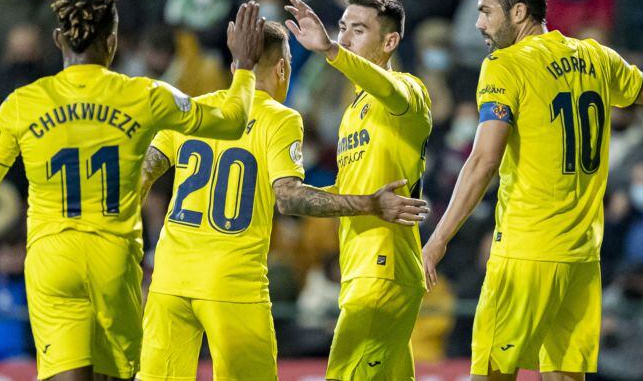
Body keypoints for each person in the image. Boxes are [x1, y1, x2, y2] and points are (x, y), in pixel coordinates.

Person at [421, 0, 643, 380]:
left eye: (486, 11)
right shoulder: (594, 56)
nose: (478, 23)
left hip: (527, 251)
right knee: (565, 375)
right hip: (580, 256)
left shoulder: (505, 65)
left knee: (490, 373)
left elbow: (483, 160)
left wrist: (438, 238)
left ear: (519, 13)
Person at [0, 0, 266, 380]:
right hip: (113, 259)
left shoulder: (22, 104)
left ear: (58, 39)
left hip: (52, 259)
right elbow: (230, 123)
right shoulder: (144, 95)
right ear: (112, 41)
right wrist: (244, 68)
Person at [136, 21, 428, 380]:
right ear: (283, 68)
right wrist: (370, 203)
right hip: (232, 285)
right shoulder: (279, 118)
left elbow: (141, 175)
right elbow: (289, 199)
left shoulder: (192, 109)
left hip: (168, 281)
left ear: (235, 66)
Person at [284, 0, 433, 380]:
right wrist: (295, 197)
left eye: (359, 29)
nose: (346, 38)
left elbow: (387, 88)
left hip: (382, 270)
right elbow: (352, 193)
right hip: (361, 269)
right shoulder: (353, 112)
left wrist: (331, 51)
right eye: (343, 29)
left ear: (389, 42)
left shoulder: (407, 94)